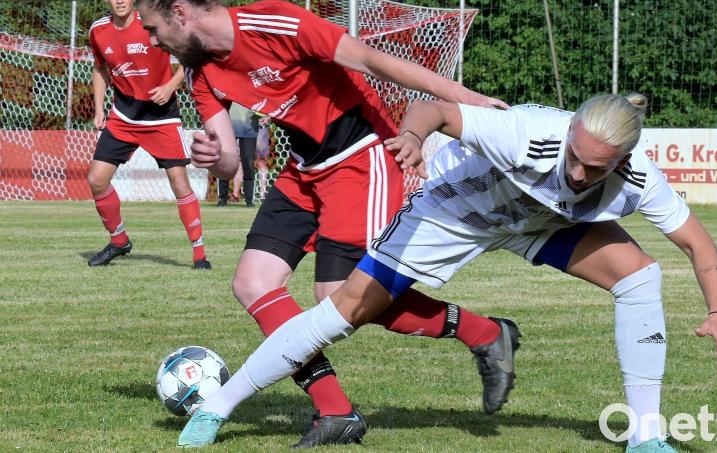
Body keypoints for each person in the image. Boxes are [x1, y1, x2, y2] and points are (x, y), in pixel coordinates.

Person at [176, 94, 717, 452]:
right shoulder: (526, 131)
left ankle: (645, 437)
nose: (575, 172)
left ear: (621, 161)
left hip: (537, 224)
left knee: (639, 277)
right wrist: (413, 138)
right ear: (568, 132)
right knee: (344, 309)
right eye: (573, 155)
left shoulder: (640, 180)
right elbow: (435, 109)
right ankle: (218, 407)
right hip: (455, 209)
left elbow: (699, 244)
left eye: (593, 168)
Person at [136, 0, 515, 447]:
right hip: (304, 170)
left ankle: (485, 333)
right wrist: (213, 158)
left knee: (338, 296)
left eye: (154, 29)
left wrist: (465, 99)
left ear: (180, 12)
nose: (152, 41)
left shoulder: (274, 21)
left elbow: (373, 61)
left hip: (361, 157)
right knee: (252, 283)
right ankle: (335, 410)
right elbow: (229, 162)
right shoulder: (200, 72)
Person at [87, 0, 210, 269]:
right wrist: (98, 108)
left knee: (179, 183)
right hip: (124, 117)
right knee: (96, 180)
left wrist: (170, 86)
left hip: (162, 117)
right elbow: (100, 68)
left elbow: (190, 57)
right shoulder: (98, 30)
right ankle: (119, 241)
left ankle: (200, 255)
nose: (120, 1)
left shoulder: (155, 23)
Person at [216, 103, 259, 207]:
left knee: (248, 164)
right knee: (225, 162)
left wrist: (267, 115)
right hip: (228, 127)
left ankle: (249, 200)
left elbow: (265, 100)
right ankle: (222, 199)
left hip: (249, 127)